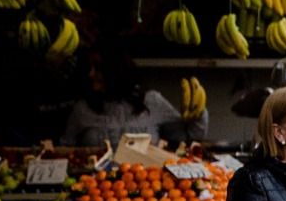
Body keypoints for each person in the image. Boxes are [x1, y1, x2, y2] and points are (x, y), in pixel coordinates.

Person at [62, 47, 207, 146]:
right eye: (90, 68)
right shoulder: (82, 109)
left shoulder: (151, 101)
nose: (91, 74)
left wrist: (198, 114)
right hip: (97, 186)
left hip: (147, 183)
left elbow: (186, 138)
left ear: (114, 71)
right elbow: (66, 148)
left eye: (98, 68)